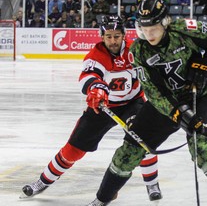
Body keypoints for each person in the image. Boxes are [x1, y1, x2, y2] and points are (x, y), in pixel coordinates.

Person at [86, 0, 207, 206]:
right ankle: (101, 199)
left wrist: (205, 64)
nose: (149, 34)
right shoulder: (139, 50)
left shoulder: (185, 29)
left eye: (153, 28)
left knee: (206, 152)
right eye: (144, 28)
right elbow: (153, 92)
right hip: (165, 105)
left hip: (198, 98)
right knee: (129, 151)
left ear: (164, 23)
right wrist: (179, 114)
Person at [20, 15, 162, 202]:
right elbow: (89, 76)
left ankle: (152, 183)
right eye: (109, 36)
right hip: (102, 106)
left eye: (117, 36)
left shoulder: (135, 50)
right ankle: (42, 181)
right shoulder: (96, 54)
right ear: (102, 36)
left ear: (123, 35)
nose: (113, 41)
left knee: (141, 140)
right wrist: (96, 88)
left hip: (132, 103)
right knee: (73, 149)